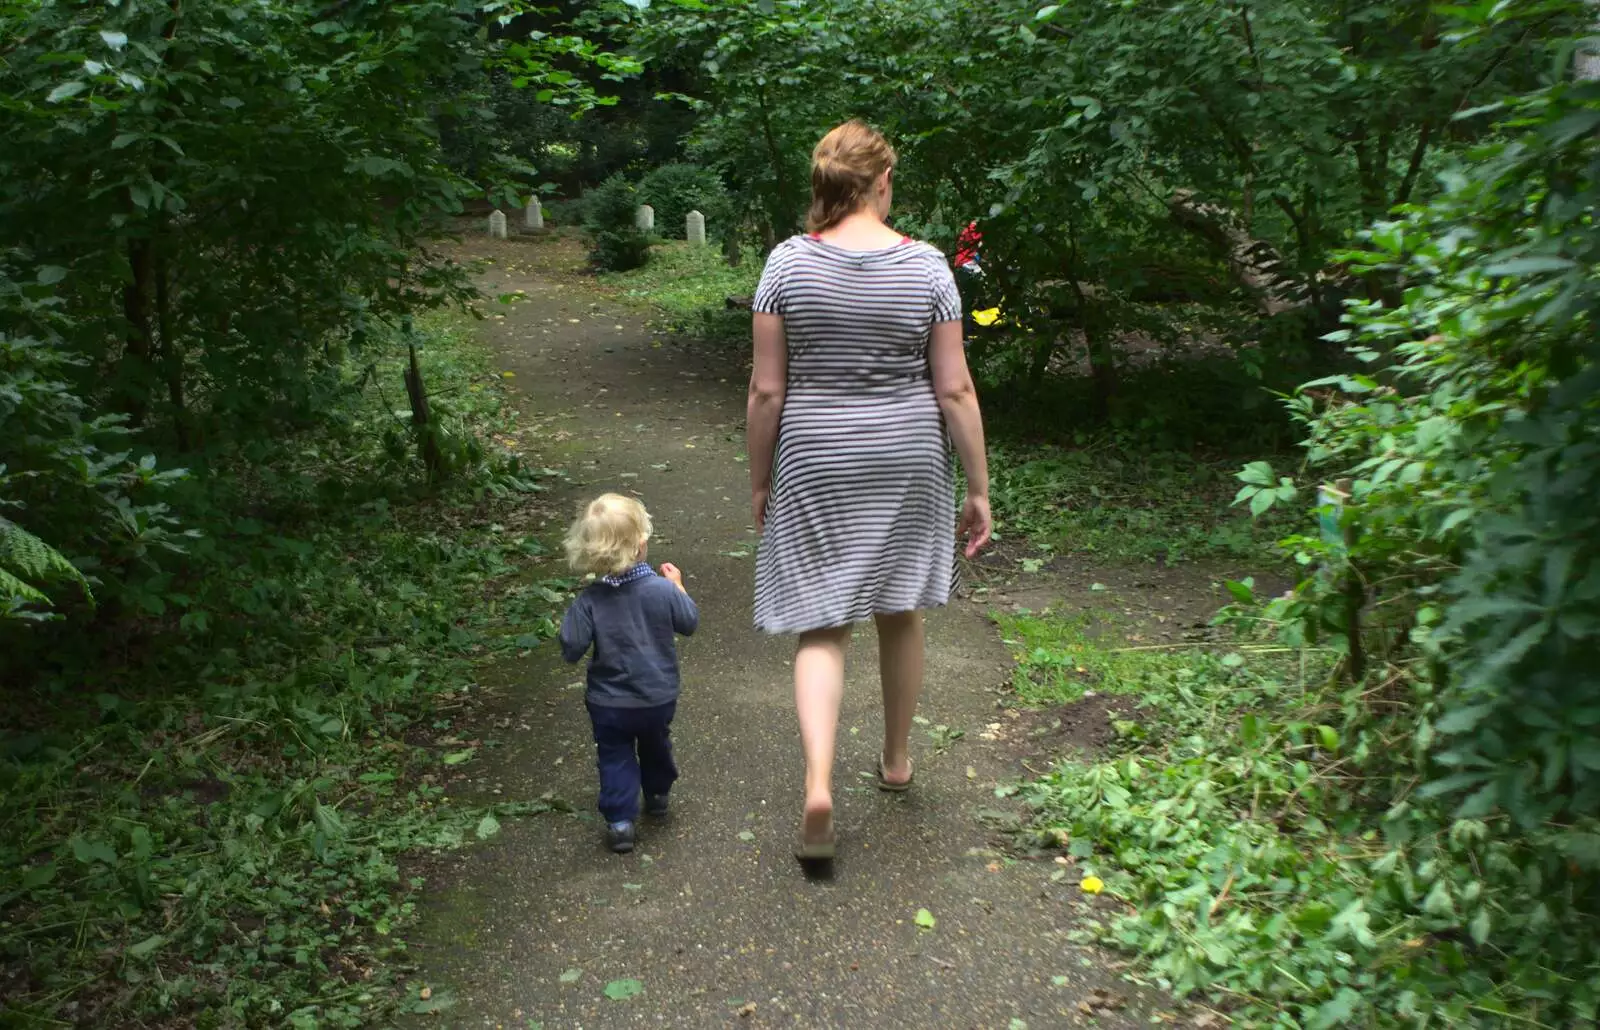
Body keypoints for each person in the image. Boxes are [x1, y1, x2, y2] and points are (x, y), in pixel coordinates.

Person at [746, 120, 992, 866]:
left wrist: (760, 478)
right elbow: (953, 388)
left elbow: (765, 390)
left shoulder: (787, 264)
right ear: (882, 182)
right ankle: (893, 759)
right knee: (899, 611)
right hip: (906, 455)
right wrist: (978, 488)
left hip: (817, 456)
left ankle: (818, 784)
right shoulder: (927, 270)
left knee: (821, 626)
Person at [559, 493, 699, 854]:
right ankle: (657, 793)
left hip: (609, 702)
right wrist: (679, 587)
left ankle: (621, 822)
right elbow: (689, 623)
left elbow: (571, 648)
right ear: (641, 545)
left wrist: (574, 617)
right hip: (657, 696)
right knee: (656, 742)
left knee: (614, 753)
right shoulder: (663, 590)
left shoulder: (589, 600)